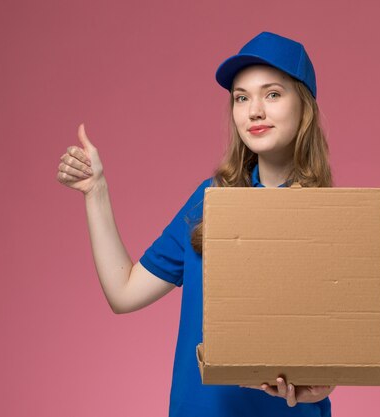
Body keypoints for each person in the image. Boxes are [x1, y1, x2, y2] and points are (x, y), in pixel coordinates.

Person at [57, 31, 336, 416]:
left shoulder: (334, 218)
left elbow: (339, 347)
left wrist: (317, 389)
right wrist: (96, 192)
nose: (254, 110)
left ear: (303, 106)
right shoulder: (210, 201)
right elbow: (123, 293)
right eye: (242, 97)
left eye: (272, 94)